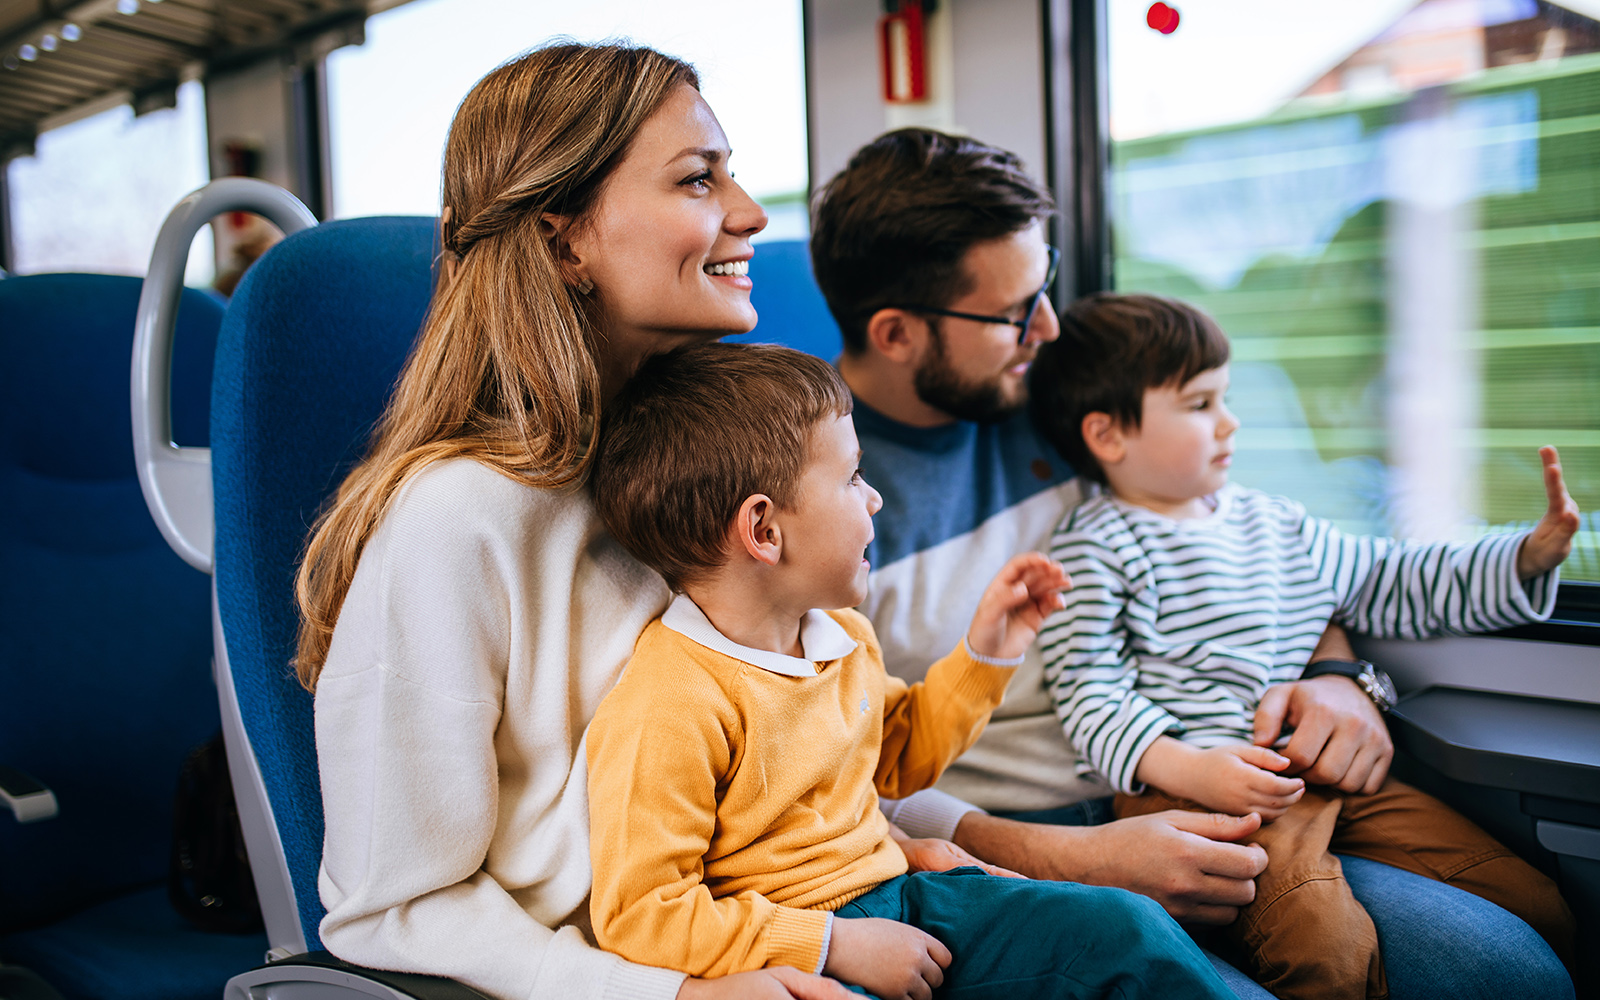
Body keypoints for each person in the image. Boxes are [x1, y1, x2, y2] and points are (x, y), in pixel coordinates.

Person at [809, 126, 1577, 999]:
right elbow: (835, 776)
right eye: (1018, 311)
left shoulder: (1071, 395)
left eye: (1046, 285)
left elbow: (1241, 544)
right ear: (898, 333)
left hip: (1219, 772)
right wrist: (1077, 855)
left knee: (1512, 968)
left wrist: (1339, 678)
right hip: (1018, 840)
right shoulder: (821, 493)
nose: (1050, 327)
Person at [294, 43, 858, 1000]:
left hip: (806, 918)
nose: (752, 214)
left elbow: (809, 749)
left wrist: (996, 850)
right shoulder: (458, 523)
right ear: (565, 243)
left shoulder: (712, 477)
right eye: (697, 178)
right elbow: (394, 908)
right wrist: (672, 998)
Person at [584, 341, 1235, 1000]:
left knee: (1125, 927)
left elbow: (898, 759)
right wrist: (833, 946)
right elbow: (643, 914)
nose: (874, 501)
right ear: (765, 530)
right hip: (797, 942)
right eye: (852, 478)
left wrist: (986, 654)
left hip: (906, 892)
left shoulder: (841, 636)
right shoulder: (671, 700)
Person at [1027, 291, 1577, 1000]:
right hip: (1195, 798)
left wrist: (1524, 557)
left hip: (1315, 771)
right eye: (1200, 406)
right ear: (1108, 437)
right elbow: (1089, 692)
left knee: (1530, 897)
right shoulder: (1095, 546)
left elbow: (1391, 579)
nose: (1230, 423)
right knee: (1327, 950)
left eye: (1223, 398)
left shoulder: (1277, 524)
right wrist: (1195, 771)